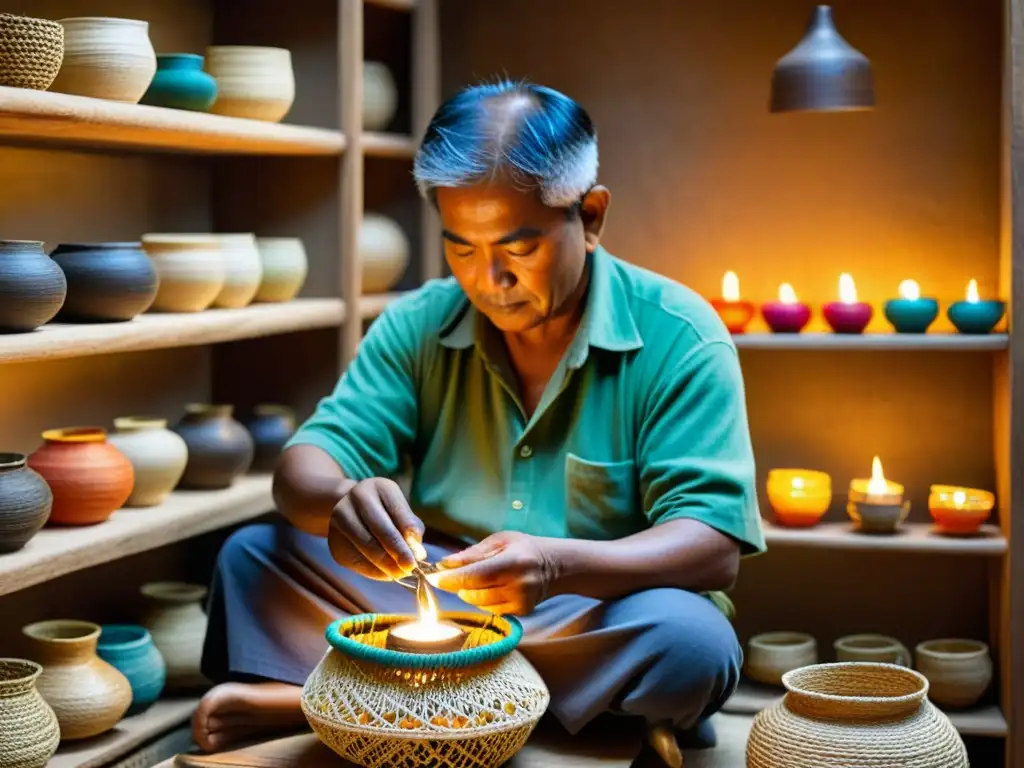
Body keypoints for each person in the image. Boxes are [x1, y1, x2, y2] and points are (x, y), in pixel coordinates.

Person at [193, 79, 766, 768]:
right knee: (252, 556)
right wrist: (342, 500)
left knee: (692, 644)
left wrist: (555, 565)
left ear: (590, 216)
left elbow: (711, 546)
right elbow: (303, 468)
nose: (489, 279)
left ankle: (354, 702)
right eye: (462, 248)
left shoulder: (680, 335)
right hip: (437, 592)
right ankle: (517, 711)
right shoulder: (419, 323)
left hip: (588, 607)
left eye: (518, 248)